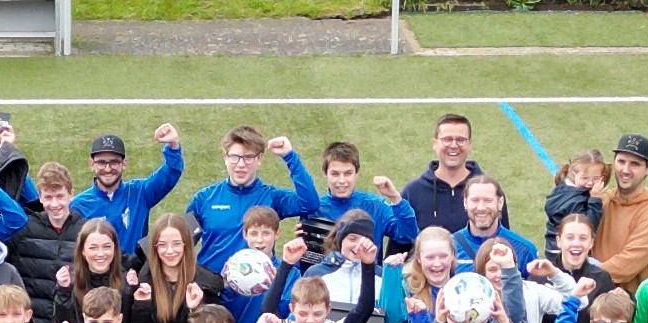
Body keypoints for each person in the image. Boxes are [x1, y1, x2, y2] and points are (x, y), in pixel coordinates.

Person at [185, 126, 319, 274]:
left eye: (248, 158)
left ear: (260, 159)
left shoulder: (272, 197)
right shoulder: (204, 199)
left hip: (256, 290)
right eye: (234, 157)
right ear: (225, 157)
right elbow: (184, 242)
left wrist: (290, 157)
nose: (241, 165)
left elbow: (310, 203)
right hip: (212, 291)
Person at [71, 126, 183, 254]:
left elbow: (170, 173)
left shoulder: (140, 193)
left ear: (124, 164)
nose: (108, 169)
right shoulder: (79, 205)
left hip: (134, 272)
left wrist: (173, 145)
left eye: (114, 162)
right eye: (101, 163)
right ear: (91, 164)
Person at [5, 161, 83, 323]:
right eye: (48, 197)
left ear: (71, 195)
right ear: (39, 197)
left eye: (59, 196)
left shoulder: (85, 232)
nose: (54, 204)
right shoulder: (24, 230)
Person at [590, 133, 648, 294]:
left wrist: (582, 273)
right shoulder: (601, 200)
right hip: (589, 296)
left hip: (625, 309)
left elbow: (624, 267)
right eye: (621, 161)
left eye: (634, 164)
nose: (625, 170)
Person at [405, 113, 506, 235]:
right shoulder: (413, 193)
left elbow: (504, 239)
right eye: (447, 139)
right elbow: (400, 247)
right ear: (434, 143)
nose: (453, 145)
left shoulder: (488, 190)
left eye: (461, 140)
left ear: (470, 144)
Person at [317, 140, 418, 252]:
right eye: (335, 174)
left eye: (348, 173)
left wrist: (396, 198)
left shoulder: (376, 206)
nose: (342, 180)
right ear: (325, 173)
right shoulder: (315, 208)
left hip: (368, 269)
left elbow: (408, 237)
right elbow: (305, 260)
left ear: (357, 173)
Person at [543, 149, 607, 254]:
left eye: (596, 178)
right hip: (564, 252)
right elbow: (588, 225)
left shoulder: (563, 188)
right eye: (585, 178)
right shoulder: (576, 201)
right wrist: (595, 199)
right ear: (573, 174)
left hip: (552, 246)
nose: (590, 183)